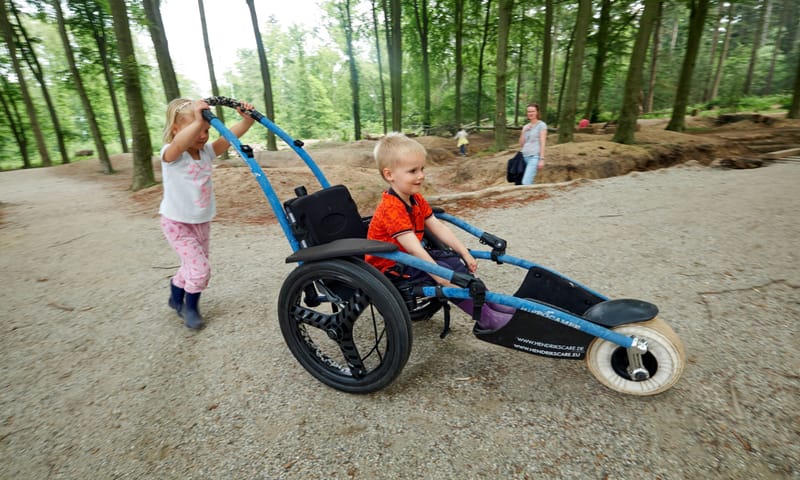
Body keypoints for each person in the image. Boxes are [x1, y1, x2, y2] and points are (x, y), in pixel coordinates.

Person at [365, 132, 514, 330]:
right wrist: (440, 275)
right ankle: (485, 317)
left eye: (422, 169)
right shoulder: (391, 207)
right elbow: (413, 249)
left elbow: (437, 226)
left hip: (407, 258)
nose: (421, 176)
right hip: (391, 266)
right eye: (413, 171)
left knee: (453, 262)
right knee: (447, 273)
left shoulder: (415, 198)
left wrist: (463, 252)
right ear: (389, 175)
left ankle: (489, 301)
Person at [160, 98, 255, 329]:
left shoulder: (206, 152)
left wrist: (247, 121)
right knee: (200, 269)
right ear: (176, 130)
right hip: (176, 223)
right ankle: (189, 308)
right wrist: (198, 120)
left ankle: (175, 294)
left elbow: (228, 138)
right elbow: (179, 145)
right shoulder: (172, 155)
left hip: (201, 221)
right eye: (196, 129)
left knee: (192, 264)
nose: (203, 135)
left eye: (206, 130)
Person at [519, 102, 547, 185]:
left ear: (537, 112)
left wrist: (541, 159)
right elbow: (521, 144)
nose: (530, 113)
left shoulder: (541, 125)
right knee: (527, 181)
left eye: (532, 111)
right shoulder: (526, 126)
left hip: (534, 157)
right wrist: (523, 131)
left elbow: (543, 142)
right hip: (524, 157)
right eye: (528, 111)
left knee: (526, 182)